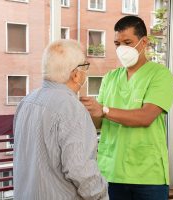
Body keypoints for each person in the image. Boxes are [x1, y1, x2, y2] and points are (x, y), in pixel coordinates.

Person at [80, 16, 173, 200]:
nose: (121, 48)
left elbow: (146, 117)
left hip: (147, 175)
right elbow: (98, 121)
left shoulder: (160, 75)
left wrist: (104, 110)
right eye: (117, 43)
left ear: (144, 42)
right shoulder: (110, 78)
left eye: (127, 42)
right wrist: (86, 110)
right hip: (111, 171)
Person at [13, 39, 108, 200]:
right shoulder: (72, 109)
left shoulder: (26, 102)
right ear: (76, 74)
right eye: (85, 66)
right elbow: (81, 170)